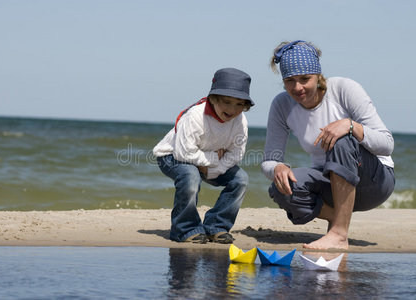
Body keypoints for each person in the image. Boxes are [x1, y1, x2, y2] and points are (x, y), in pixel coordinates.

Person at [262, 40, 395, 250]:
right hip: (331, 184)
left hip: (374, 181)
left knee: (342, 139)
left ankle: (340, 234)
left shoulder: (344, 89)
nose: (297, 88)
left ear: (318, 75)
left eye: (305, 79)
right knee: (281, 189)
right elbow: (270, 159)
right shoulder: (282, 104)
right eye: (289, 80)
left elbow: (386, 144)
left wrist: (350, 126)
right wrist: (277, 167)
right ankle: (338, 219)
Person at [153, 68, 254, 244]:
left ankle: (217, 226)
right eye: (226, 102)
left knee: (240, 179)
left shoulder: (240, 121)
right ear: (213, 98)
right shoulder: (195, 116)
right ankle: (185, 229)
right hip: (172, 156)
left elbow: (236, 153)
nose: (232, 109)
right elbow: (183, 153)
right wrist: (214, 158)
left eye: (239, 104)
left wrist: (213, 169)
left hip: (209, 162)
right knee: (190, 175)